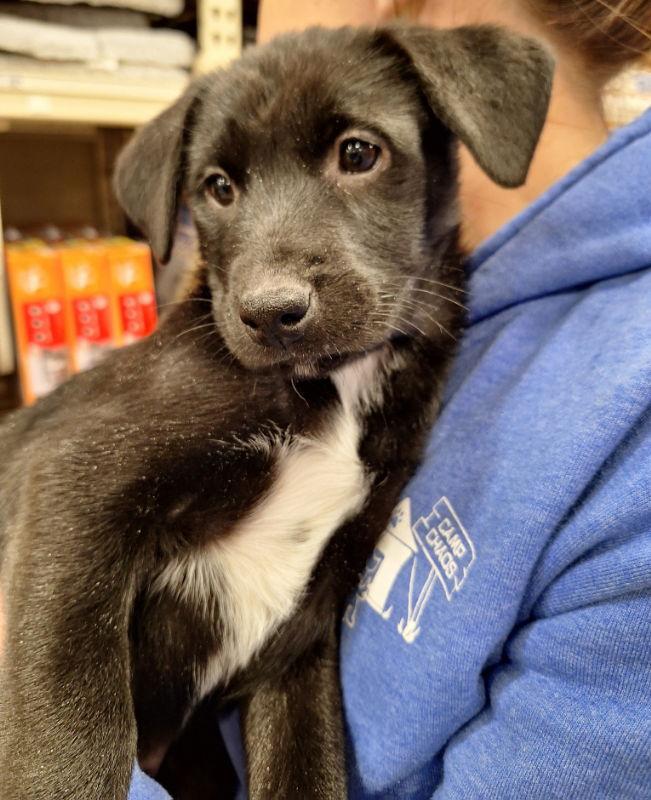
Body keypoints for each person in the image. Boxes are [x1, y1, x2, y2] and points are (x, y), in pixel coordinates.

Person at [2, 1, 645, 798]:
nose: (267, 288)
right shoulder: (238, 366)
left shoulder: (614, 415)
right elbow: (67, 488)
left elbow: (296, 637)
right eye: (219, 187)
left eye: (355, 154)